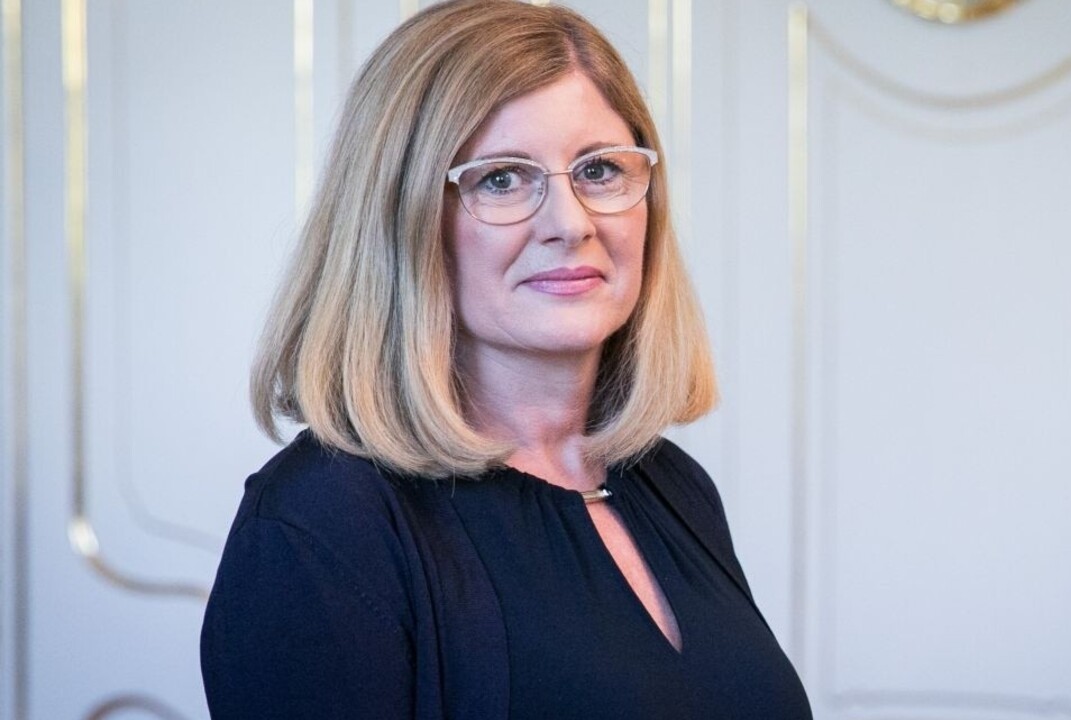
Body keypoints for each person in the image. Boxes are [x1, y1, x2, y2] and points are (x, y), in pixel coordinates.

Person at [199, 1, 811, 717]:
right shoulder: (320, 527)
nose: (570, 224)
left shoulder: (671, 485)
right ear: (398, 219)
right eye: (500, 179)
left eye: (600, 170)